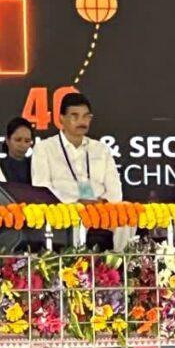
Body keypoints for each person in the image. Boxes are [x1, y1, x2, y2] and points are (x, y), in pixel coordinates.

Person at [31, 93, 125, 249]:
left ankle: (120, 260)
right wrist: (76, 202)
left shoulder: (101, 149)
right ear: (61, 119)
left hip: (101, 209)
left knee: (126, 215)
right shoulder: (44, 148)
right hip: (66, 209)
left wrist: (102, 203)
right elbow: (42, 188)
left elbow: (115, 188)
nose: (82, 121)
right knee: (75, 216)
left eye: (86, 117)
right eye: (75, 116)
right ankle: (76, 261)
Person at [1, 117, 33, 184]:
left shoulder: (35, 165)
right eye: (18, 140)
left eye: (27, 141)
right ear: (7, 140)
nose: (22, 145)